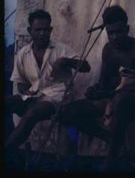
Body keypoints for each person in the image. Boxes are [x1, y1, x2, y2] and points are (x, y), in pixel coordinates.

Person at [57, 5, 135, 170]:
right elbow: (104, 81)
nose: (114, 37)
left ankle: (110, 160)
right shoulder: (108, 49)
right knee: (64, 113)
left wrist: (109, 93)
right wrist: (95, 90)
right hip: (110, 99)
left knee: (120, 102)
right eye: (110, 33)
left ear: (127, 29)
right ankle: (108, 138)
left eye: (118, 32)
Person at [6, 9, 91, 151]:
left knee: (32, 113)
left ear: (51, 29)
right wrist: (24, 90)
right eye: (38, 29)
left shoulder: (60, 49)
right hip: (34, 95)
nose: (42, 33)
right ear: (29, 30)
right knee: (8, 102)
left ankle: (7, 149)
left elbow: (86, 67)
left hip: (58, 97)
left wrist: (66, 61)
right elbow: (19, 81)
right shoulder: (23, 53)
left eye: (46, 29)